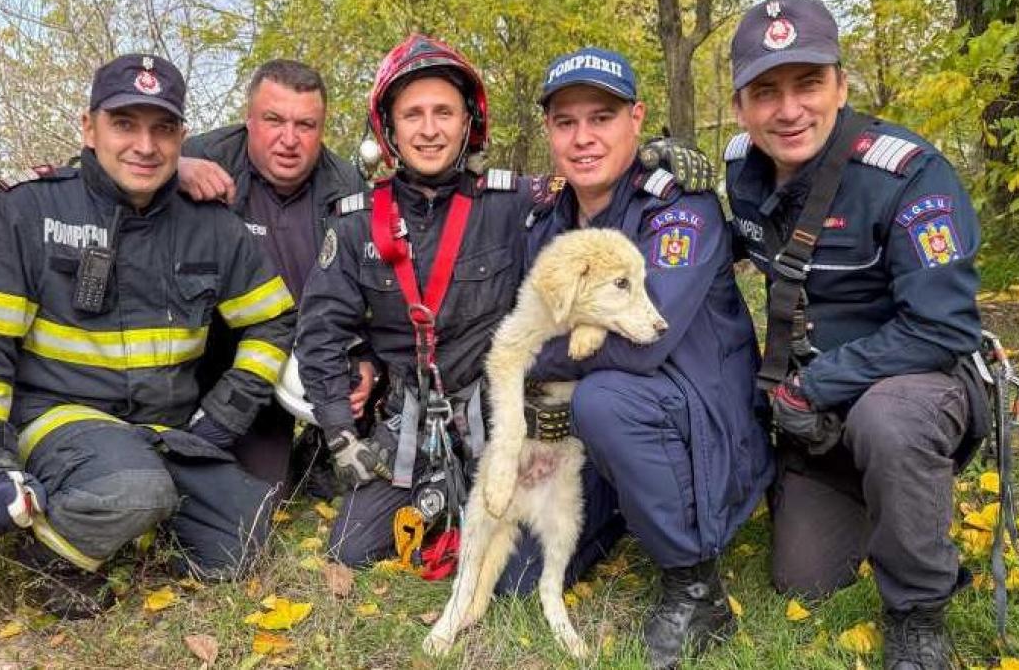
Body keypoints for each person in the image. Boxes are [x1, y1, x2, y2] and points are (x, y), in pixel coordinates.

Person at [296, 34, 711, 574]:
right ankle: (437, 498)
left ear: (468, 121)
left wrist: (652, 157)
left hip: (498, 417)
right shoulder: (354, 222)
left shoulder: (517, 201)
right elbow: (320, 331)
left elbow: (592, 186)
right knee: (349, 547)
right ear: (389, 128)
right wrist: (340, 434)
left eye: (443, 112)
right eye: (412, 114)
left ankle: (599, 508)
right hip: (406, 426)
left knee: (522, 563)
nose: (428, 129)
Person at [0, 54, 296, 618]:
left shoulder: (213, 227)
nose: (145, 146)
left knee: (244, 533)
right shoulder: (22, 212)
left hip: (163, 430)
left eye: (163, 128)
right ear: (88, 127)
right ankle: (48, 562)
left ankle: (124, 527)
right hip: (56, 417)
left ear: (182, 137)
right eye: (124, 124)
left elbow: (273, 319)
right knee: (134, 489)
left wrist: (227, 413)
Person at [723, 0, 985, 668]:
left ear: (841, 84)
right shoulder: (741, 170)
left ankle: (919, 611)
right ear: (740, 107)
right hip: (819, 422)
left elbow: (942, 327)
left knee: (889, 420)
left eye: (808, 83)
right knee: (802, 578)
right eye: (765, 92)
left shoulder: (908, 173)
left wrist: (817, 383)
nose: (789, 110)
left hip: (912, 392)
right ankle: (884, 498)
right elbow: (742, 244)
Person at [519, 47, 774, 669]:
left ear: (637, 119)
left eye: (601, 118)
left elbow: (640, 342)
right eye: (565, 122)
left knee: (602, 398)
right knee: (518, 578)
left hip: (704, 427)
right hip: (618, 430)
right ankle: (617, 516)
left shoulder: (681, 207)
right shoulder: (549, 217)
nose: (583, 138)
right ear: (549, 131)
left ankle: (696, 586)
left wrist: (532, 356)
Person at [179, 60, 370, 500]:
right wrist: (174, 170)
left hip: (292, 359)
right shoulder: (202, 158)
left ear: (322, 129)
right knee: (198, 477)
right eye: (273, 120)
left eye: (305, 125)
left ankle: (312, 451)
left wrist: (366, 359)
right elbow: (114, 171)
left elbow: (370, 286)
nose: (289, 140)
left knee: (263, 492)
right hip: (210, 358)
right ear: (249, 119)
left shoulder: (348, 187)